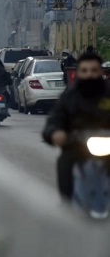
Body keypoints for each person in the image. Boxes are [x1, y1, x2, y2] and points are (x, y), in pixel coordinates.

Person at [43, 51, 110, 200]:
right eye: (85, 71)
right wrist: (55, 133)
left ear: (101, 72)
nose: (89, 75)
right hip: (77, 145)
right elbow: (55, 120)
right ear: (78, 72)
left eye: (94, 70)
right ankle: (67, 205)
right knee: (64, 162)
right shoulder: (69, 97)